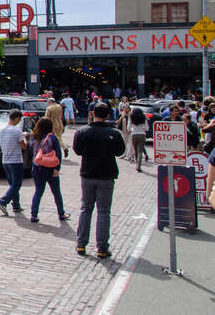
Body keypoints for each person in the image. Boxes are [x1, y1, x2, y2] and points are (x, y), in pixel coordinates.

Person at [73, 102, 126, 259]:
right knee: (104, 211)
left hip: (88, 174)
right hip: (106, 175)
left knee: (86, 208)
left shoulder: (82, 131)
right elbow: (120, 151)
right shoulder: (113, 133)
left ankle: (81, 244)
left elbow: (77, 150)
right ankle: (102, 248)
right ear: (108, 115)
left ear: (92, 114)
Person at [28, 117, 70, 223]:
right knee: (56, 192)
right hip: (50, 169)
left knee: (38, 191)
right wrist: (57, 168)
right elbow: (58, 154)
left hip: (37, 168)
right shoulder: (52, 137)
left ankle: (34, 214)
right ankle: (61, 213)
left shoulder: (33, 137)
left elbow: (30, 151)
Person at [0, 110, 27, 215]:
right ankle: (3, 201)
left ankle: (16, 205)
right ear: (17, 118)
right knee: (17, 184)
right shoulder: (17, 130)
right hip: (16, 160)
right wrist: (25, 137)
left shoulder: (2, 129)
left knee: (12, 184)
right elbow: (24, 146)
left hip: (5, 160)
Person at [129, 107, 149, 172]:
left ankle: (137, 163)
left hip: (134, 135)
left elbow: (128, 128)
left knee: (135, 150)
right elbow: (147, 128)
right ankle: (139, 166)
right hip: (142, 134)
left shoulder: (131, 118)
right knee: (140, 151)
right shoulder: (144, 119)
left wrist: (133, 129)